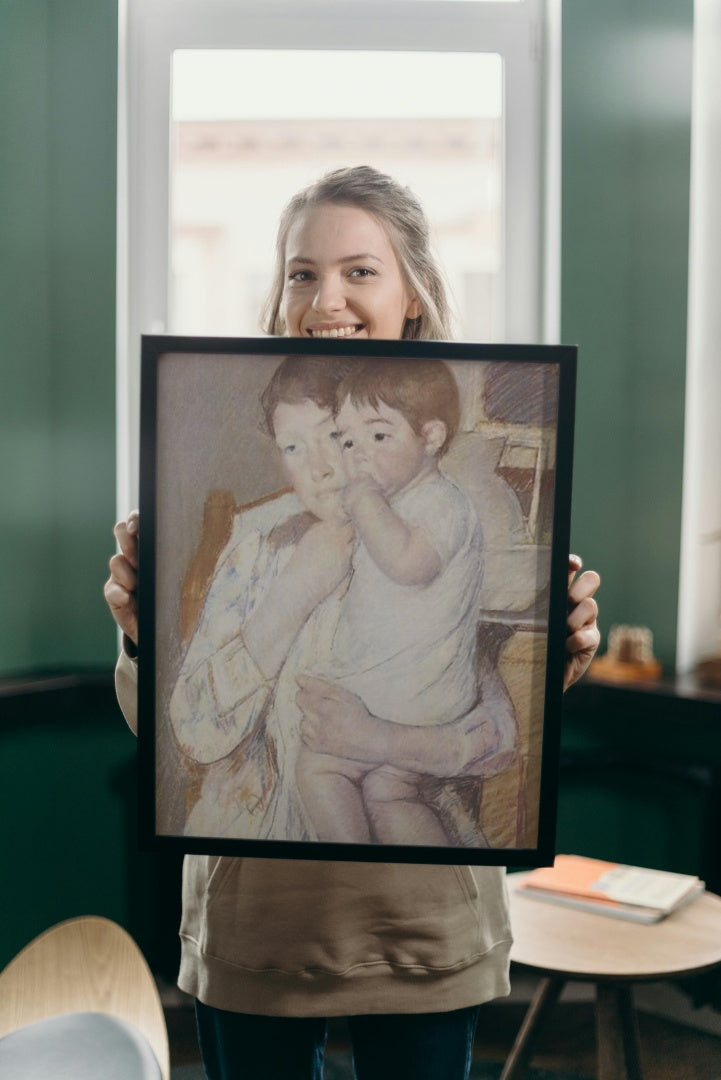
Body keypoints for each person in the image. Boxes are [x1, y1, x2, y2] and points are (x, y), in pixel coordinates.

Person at [105, 165, 601, 1080]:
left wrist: (565, 653)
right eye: (301, 272)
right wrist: (144, 636)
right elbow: (186, 735)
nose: (325, 297)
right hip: (259, 927)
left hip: (418, 925)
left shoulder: (448, 506)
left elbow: (496, 734)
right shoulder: (250, 545)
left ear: (412, 294)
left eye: (359, 271)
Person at [295, 357, 485, 847]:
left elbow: (408, 564)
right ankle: (416, 874)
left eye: (379, 437)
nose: (359, 456)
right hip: (413, 699)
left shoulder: (444, 503)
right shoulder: (400, 500)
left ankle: (347, 865)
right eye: (349, 440)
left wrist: (363, 503)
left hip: (410, 701)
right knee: (390, 790)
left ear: (432, 437)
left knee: (319, 769)